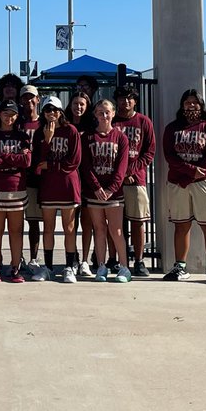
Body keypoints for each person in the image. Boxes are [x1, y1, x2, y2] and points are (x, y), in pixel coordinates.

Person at [163, 89, 206, 285]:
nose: (191, 106)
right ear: (182, 105)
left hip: (204, 182)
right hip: (178, 183)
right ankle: (180, 267)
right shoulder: (172, 128)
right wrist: (190, 171)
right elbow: (170, 156)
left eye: (194, 102)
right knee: (181, 225)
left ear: (201, 105)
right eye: (187, 102)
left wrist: (198, 173)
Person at [32, 95, 82, 282]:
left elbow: (74, 161)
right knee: (48, 228)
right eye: (47, 110)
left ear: (61, 112)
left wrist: (51, 165)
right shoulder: (40, 132)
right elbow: (38, 162)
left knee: (69, 228)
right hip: (48, 186)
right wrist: (47, 140)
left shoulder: (71, 131)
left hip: (68, 185)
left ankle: (69, 266)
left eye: (54, 109)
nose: (51, 113)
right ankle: (48, 267)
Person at [81, 100, 131, 282]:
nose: (104, 115)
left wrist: (111, 189)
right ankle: (101, 267)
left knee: (116, 230)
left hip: (114, 194)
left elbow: (122, 168)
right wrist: (96, 187)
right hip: (94, 193)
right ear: (95, 114)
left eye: (107, 112)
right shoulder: (87, 137)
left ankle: (124, 267)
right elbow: (85, 166)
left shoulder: (121, 138)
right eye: (100, 112)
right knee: (99, 229)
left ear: (113, 113)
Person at [0, 100, 32, 283]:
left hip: (16, 188)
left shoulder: (23, 136)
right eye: (5, 113)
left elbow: (27, 161)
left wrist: (3, 157)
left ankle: (15, 267)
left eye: (12, 114)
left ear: (17, 116)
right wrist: (15, 158)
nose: (9, 117)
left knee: (16, 231)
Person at [113, 85, 156, 278]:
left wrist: (129, 171)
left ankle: (139, 261)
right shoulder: (111, 120)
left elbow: (149, 152)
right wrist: (119, 175)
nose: (125, 101)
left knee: (138, 222)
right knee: (114, 223)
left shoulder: (143, 122)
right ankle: (114, 260)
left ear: (135, 101)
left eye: (129, 98)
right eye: (122, 98)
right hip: (113, 181)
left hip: (136, 179)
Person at [65, 91, 97, 276]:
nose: (78, 107)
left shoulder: (93, 126)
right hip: (69, 179)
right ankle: (74, 257)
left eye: (82, 104)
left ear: (87, 106)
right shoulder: (64, 125)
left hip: (88, 178)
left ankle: (85, 260)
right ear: (70, 106)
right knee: (71, 223)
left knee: (87, 222)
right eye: (75, 103)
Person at [17, 85, 44, 277]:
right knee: (16, 223)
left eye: (31, 97)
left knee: (34, 221)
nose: (28, 101)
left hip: (38, 178)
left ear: (38, 99)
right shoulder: (16, 122)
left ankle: (34, 259)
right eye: (25, 98)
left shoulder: (45, 123)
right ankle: (17, 257)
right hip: (18, 178)